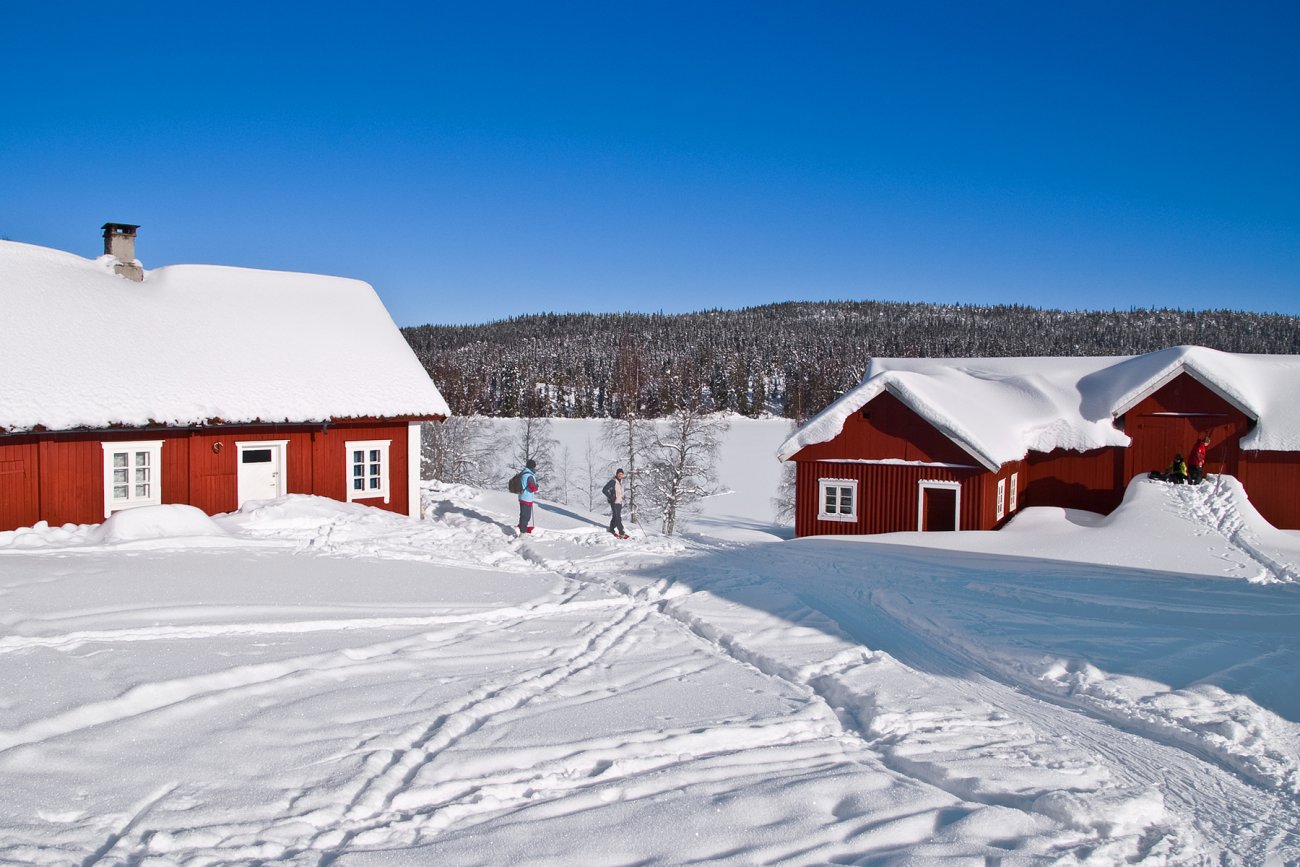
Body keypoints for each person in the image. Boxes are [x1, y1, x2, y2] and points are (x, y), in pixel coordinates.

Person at [602, 468, 628, 539]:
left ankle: (611, 528)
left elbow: (620, 491)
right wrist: (611, 497)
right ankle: (621, 532)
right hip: (614, 502)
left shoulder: (622, 482)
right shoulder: (613, 481)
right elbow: (604, 490)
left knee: (616, 517)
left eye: (622, 474)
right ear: (616, 474)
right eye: (619, 474)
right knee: (617, 517)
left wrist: (623, 497)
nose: (620, 475)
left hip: (619, 502)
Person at [517, 459, 539, 534]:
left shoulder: (523, 472)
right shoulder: (529, 475)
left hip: (522, 496)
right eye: (534, 467)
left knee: (523, 514)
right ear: (532, 467)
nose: (535, 468)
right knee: (526, 516)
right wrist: (537, 486)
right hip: (526, 498)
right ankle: (522, 531)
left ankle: (521, 527)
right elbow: (533, 487)